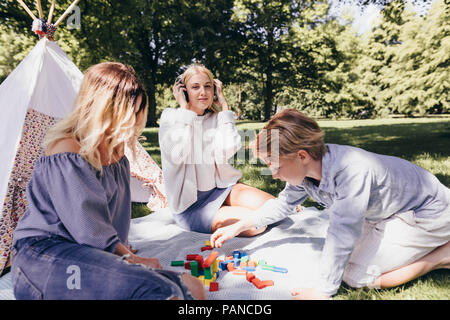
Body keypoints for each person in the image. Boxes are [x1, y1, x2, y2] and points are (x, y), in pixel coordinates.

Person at [11, 62, 204, 300]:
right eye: (128, 113)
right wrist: (130, 259)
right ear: (103, 108)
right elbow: (89, 228)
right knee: (160, 292)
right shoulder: (67, 149)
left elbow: (112, 223)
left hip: (91, 255)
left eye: (137, 112)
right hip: (44, 256)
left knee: (191, 287)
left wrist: (120, 252)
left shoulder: (117, 153)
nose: (133, 121)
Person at [210, 108, 450, 300]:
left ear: (301, 156)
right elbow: (283, 205)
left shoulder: (351, 172)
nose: (272, 174)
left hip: (426, 215)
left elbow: (343, 233)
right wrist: (239, 226)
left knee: (356, 276)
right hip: (388, 214)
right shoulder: (306, 172)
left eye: (275, 165)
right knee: (336, 260)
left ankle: (441, 256)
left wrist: (323, 292)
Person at [159, 64, 274, 235]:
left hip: (221, 189)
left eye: (207, 86)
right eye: (195, 87)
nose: (203, 92)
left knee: (275, 207)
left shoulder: (216, 118)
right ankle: (225, 212)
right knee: (256, 224)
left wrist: (225, 108)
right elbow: (178, 154)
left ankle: (228, 207)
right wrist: (184, 111)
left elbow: (229, 148)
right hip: (191, 206)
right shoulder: (171, 117)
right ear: (184, 92)